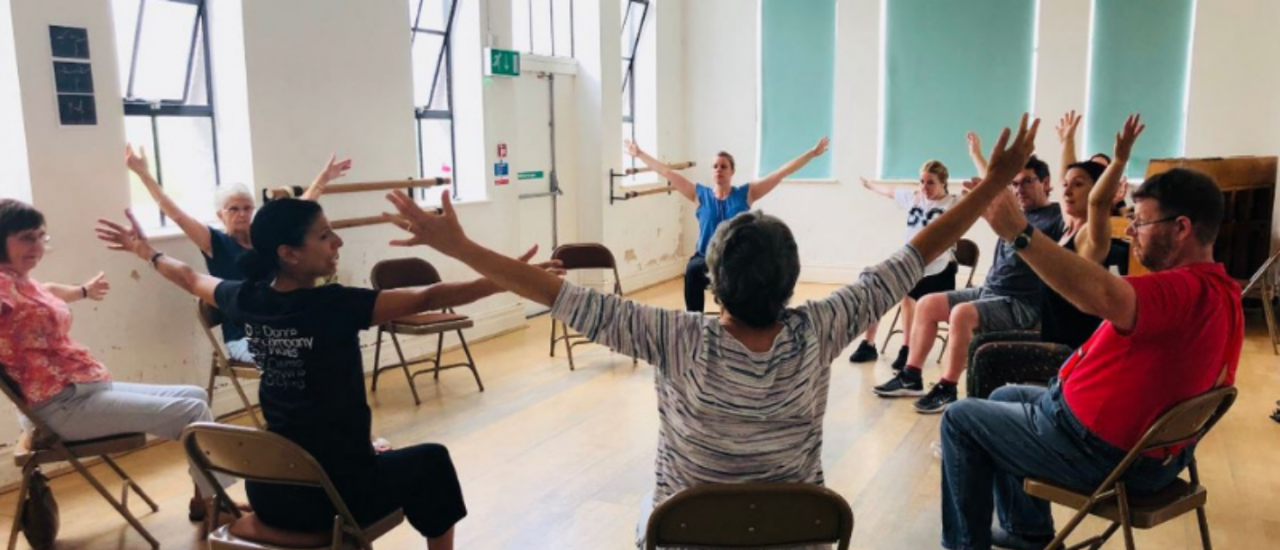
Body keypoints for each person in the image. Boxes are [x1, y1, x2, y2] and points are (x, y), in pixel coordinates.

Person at [386, 116, 1043, 549]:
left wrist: (464, 245)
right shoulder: (823, 325)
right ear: (792, 284)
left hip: (685, 536)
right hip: (798, 535)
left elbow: (553, 292)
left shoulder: (673, 335)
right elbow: (914, 254)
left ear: (715, 283)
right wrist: (987, 183)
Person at [96, 199, 557, 549]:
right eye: (324, 236)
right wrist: (511, 276)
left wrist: (145, 252)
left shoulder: (246, 298)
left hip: (271, 487)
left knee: (375, 450)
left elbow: (189, 279)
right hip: (335, 494)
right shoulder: (334, 306)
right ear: (289, 253)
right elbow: (427, 297)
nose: (337, 243)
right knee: (431, 459)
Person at [938, 167, 1241, 550]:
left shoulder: (1181, 290)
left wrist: (1020, 232)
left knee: (959, 419)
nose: (1130, 231)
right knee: (1003, 396)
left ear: (1181, 228)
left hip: (1106, 456)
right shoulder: (1221, 289)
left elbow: (1099, 293)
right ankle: (1025, 531)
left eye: (1140, 221)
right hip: (1148, 454)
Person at [0, 198, 227, 522]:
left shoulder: (21, 280)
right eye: (25, 237)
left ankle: (204, 497)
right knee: (191, 411)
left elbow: (48, 290)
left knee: (196, 396)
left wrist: (82, 290)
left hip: (83, 390)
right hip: (57, 409)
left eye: (40, 236)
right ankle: (216, 503)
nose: (36, 246)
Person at [875, 150, 1064, 413]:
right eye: (1016, 183)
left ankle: (948, 387)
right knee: (927, 304)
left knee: (962, 314)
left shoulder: (1055, 219)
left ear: (1046, 183)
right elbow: (995, 187)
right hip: (991, 291)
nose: (1020, 188)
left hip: (1021, 303)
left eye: (1027, 181)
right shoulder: (1017, 212)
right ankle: (911, 375)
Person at [125, 145, 352, 362]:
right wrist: (144, 175)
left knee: (327, 341)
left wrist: (323, 179)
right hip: (244, 336)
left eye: (246, 208)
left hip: (281, 323)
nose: (241, 214)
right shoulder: (215, 242)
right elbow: (177, 214)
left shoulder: (264, 237)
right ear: (220, 214)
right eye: (233, 209)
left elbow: (298, 213)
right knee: (299, 355)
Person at [623, 137, 829, 313]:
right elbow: (668, 173)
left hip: (736, 260)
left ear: (732, 171)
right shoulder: (699, 194)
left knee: (749, 276)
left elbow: (780, 173)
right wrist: (639, 153)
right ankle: (694, 323)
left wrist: (811, 154)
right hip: (706, 258)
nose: (719, 170)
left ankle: (738, 324)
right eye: (715, 166)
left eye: (724, 166)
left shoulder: (746, 193)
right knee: (693, 271)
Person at [848, 162, 961, 368]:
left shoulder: (954, 203)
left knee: (907, 295)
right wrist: (870, 185)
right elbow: (890, 192)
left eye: (931, 183)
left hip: (937, 268)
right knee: (877, 285)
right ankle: (868, 344)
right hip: (909, 261)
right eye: (922, 181)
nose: (924, 187)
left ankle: (907, 348)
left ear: (944, 183)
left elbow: (983, 200)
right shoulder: (915, 197)